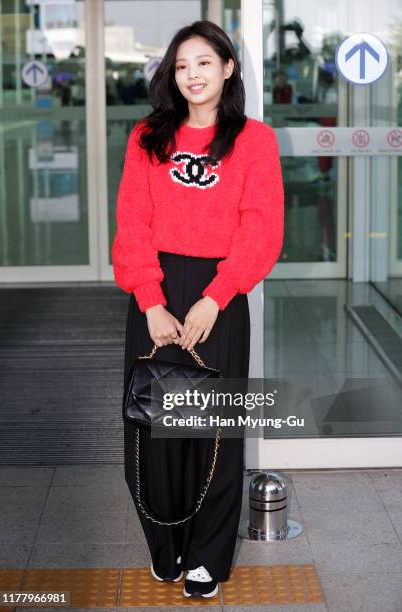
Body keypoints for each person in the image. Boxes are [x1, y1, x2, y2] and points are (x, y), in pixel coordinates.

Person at [111, 19, 284, 600]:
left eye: (204, 63)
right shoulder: (147, 138)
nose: (192, 76)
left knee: (213, 430)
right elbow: (132, 223)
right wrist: (151, 302)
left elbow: (261, 228)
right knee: (155, 425)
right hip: (155, 289)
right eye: (181, 66)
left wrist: (219, 292)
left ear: (228, 68)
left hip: (221, 292)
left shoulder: (254, 140)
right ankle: (168, 543)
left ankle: (208, 554)